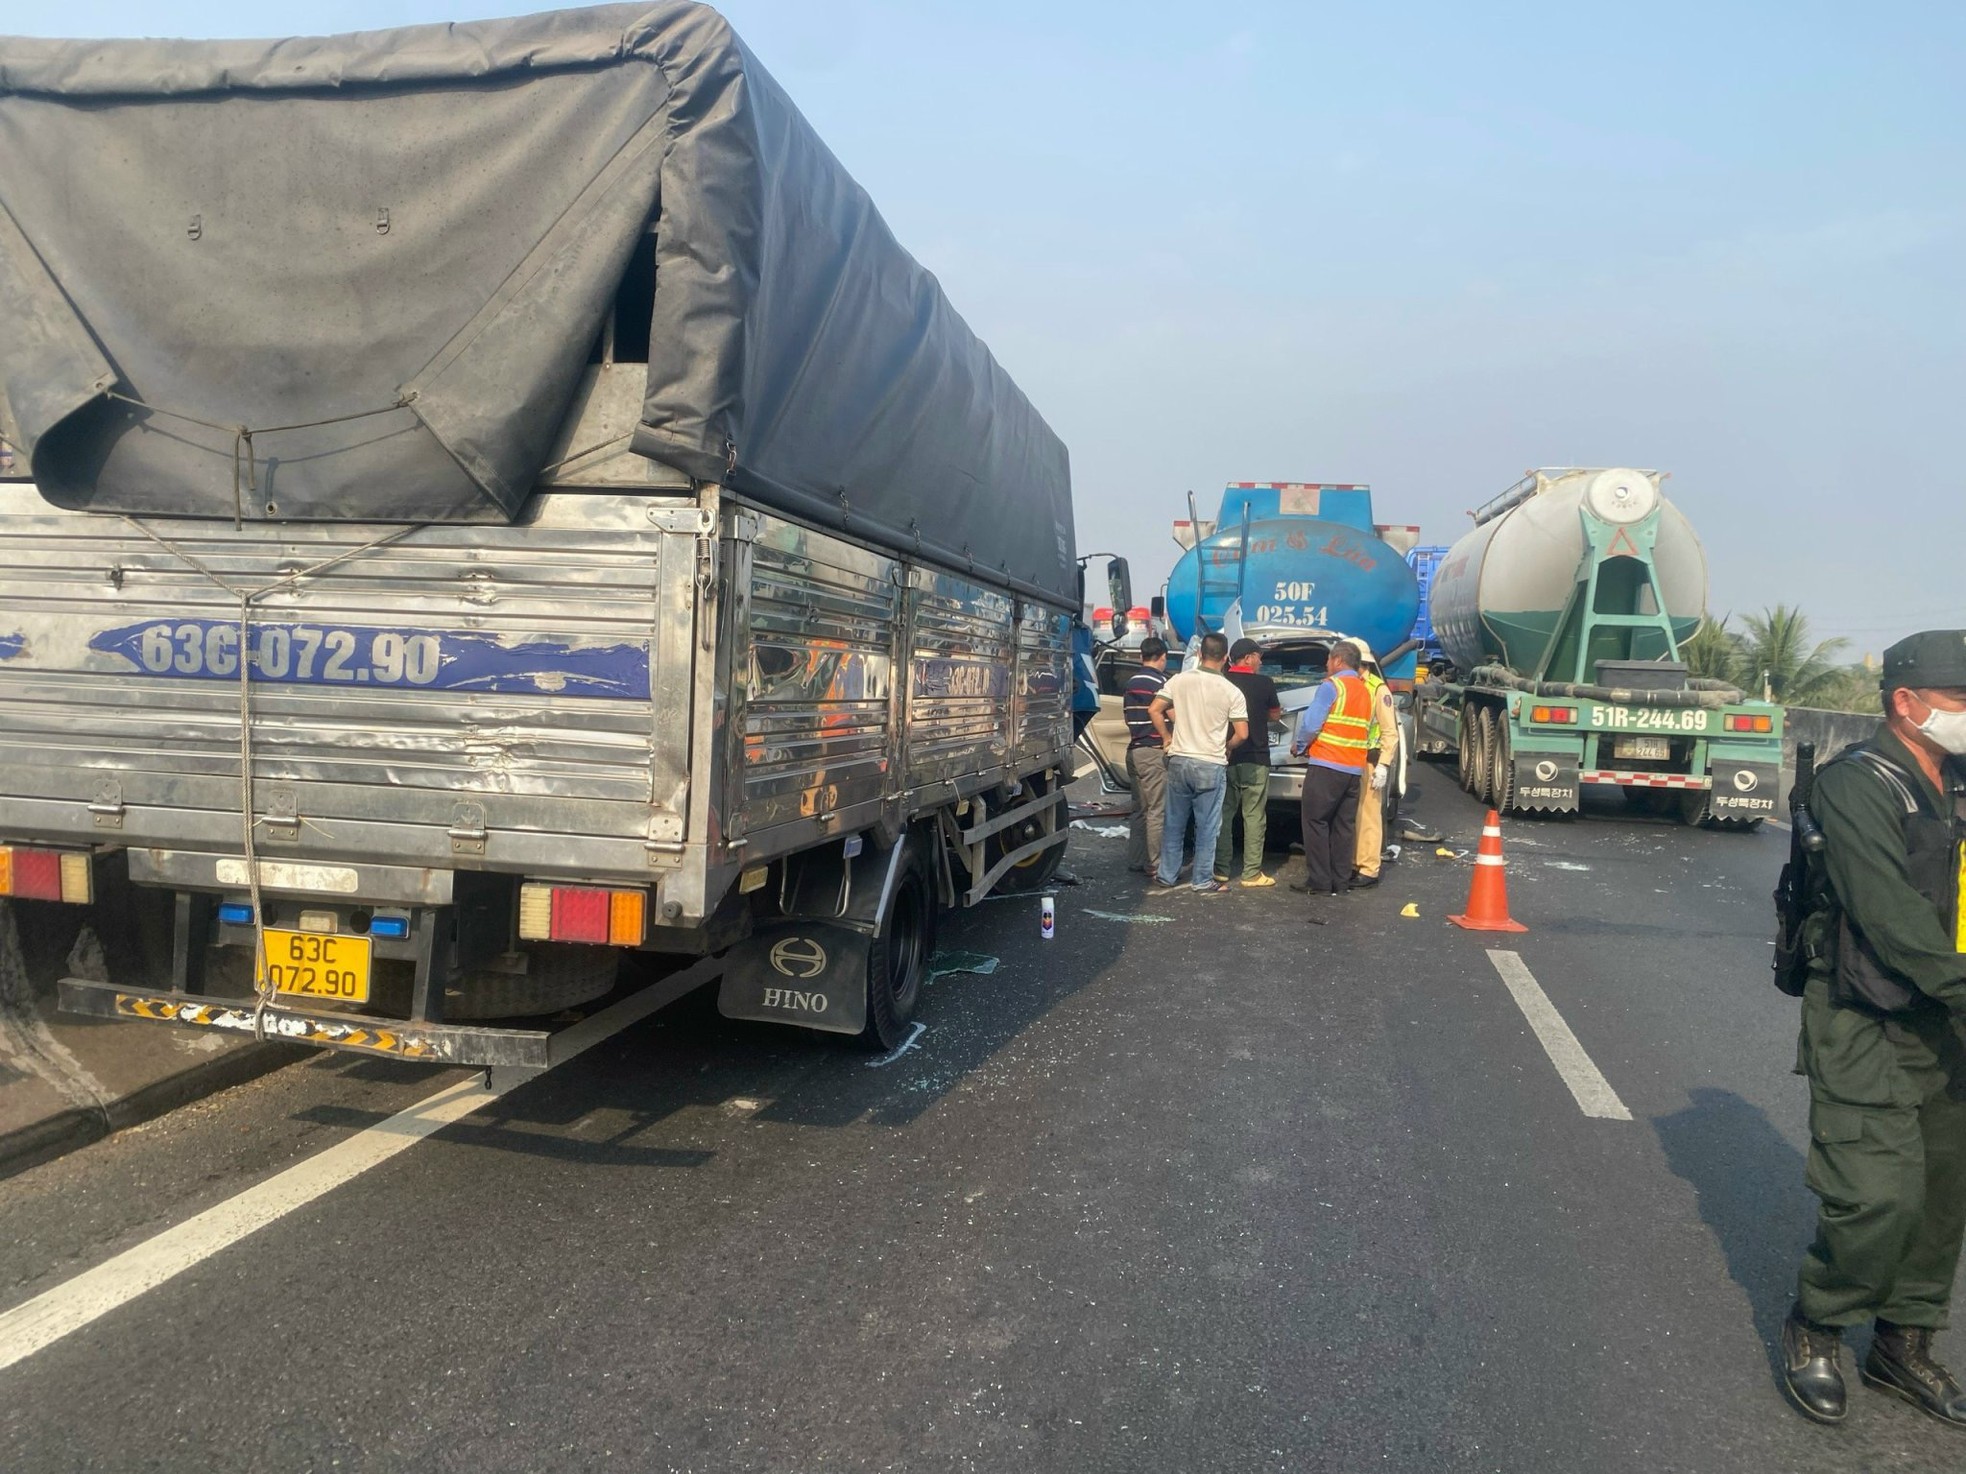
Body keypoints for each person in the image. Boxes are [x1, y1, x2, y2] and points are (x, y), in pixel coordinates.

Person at [1779, 629, 1966, 1429]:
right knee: (1877, 1197)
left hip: (1946, 1021)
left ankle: (1902, 1344)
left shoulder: (1954, 780)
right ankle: (1817, 1326)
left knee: (1940, 1198)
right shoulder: (1857, 785)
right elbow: (1889, 919)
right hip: (1868, 1012)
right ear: (1907, 703)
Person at [1149, 631, 1247, 895]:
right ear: (1226, 658)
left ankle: (1167, 875)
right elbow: (1242, 733)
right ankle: (1202, 879)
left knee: (1174, 823)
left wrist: (1167, 737)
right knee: (1207, 827)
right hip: (1210, 763)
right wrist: (1228, 747)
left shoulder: (1179, 680)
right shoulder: (1232, 691)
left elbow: (1154, 709)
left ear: (1200, 654)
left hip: (1180, 760)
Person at [1288, 641, 1372, 898]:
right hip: (1353, 769)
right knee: (1343, 826)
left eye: (1327, 660)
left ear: (1337, 660)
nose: (1326, 665)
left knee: (1315, 822)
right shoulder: (1364, 691)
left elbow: (1312, 724)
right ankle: (1340, 881)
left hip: (1326, 765)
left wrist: (1300, 746)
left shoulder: (1331, 687)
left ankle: (1320, 881)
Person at [1214, 638, 1282, 887]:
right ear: (1248, 658)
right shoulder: (1264, 683)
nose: (1261, 662)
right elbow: (1275, 714)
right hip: (1256, 757)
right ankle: (1251, 873)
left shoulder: (1221, 682)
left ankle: (1221, 869)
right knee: (1253, 815)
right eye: (1259, 656)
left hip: (1226, 756)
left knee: (1224, 813)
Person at [1346, 640, 1401, 891]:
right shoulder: (1347, 684)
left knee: (1368, 815)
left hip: (1370, 759)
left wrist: (1384, 765)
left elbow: (1390, 732)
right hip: (1347, 758)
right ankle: (1354, 863)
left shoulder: (1378, 690)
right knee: (1352, 814)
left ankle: (1368, 868)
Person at [1123, 637, 1170, 875]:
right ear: (1162, 657)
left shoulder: (1131, 681)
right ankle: (1156, 863)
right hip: (1153, 751)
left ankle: (1136, 859)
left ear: (1142, 656)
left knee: (1139, 809)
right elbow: (1172, 713)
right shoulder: (1161, 682)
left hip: (1134, 750)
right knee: (1156, 809)